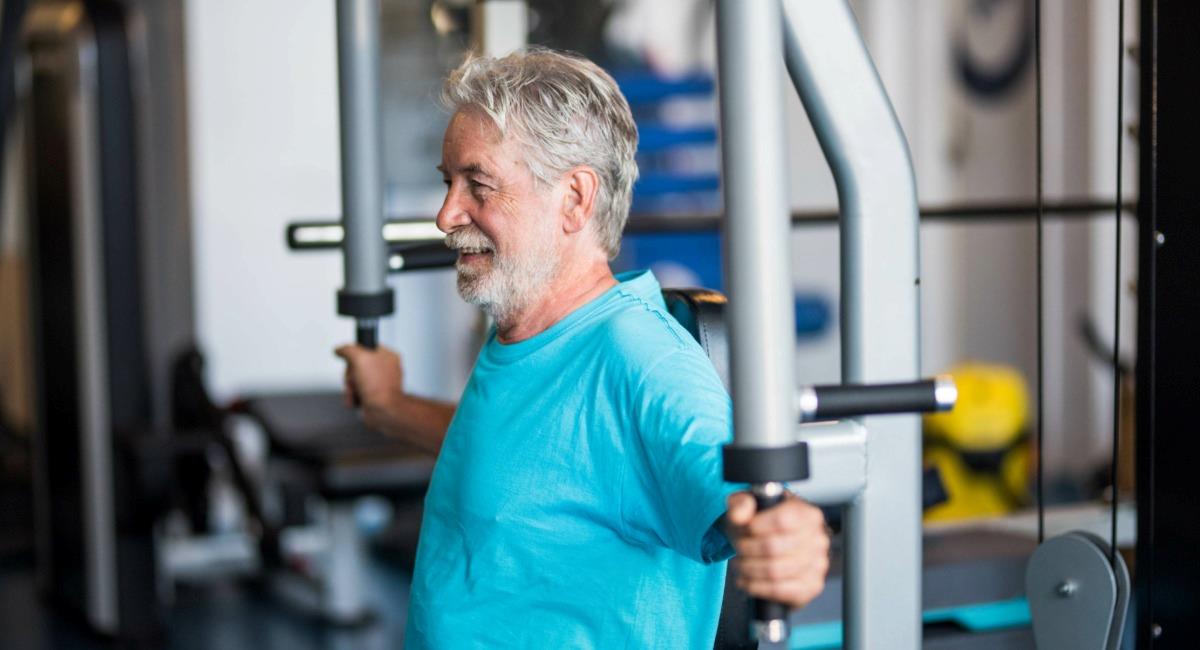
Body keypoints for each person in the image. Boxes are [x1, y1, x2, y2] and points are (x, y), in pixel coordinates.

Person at [337, 48, 829, 648]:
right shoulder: (531, 328)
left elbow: (750, 501)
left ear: (573, 199)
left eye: (478, 185)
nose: (446, 215)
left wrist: (790, 534)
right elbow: (537, 458)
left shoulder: (641, 357)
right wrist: (391, 406)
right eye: (448, 183)